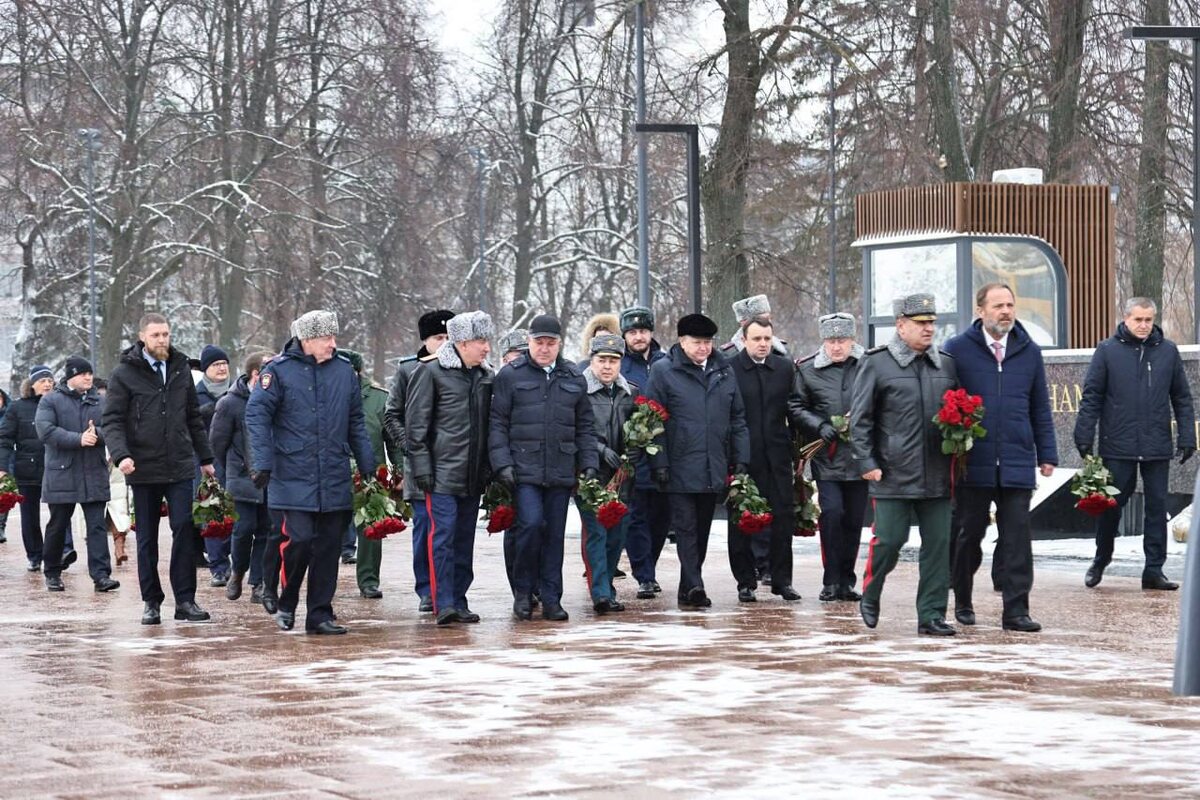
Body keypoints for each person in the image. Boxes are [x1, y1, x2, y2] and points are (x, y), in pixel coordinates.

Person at [245, 310, 376, 634]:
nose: (334, 343)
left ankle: (319, 614)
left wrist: (367, 463)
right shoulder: (277, 371)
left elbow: (355, 421)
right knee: (299, 540)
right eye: (326, 337)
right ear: (306, 340)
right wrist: (262, 462)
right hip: (291, 473)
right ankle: (286, 601)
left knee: (329, 547)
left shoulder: (345, 372)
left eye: (334, 336)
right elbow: (256, 416)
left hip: (332, 472)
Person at [942, 284, 1056, 632]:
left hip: (1017, 459)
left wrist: (1047, 453)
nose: (1006, 311)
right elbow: (946, 402)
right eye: (998, 305)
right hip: (972, 461)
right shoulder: (957, 350)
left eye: (1010, 305)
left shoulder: (1029, 351)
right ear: (981, 310)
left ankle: (1016, 611)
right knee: (967, 535)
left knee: (1017, 539)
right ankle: (962, 597)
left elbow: (1040, 407)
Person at [849, 293, 960, 636]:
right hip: (892, 472)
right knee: (890, 540)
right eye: (920, 323)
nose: (928, 329)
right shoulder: (877, 363)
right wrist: (867, 461)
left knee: (939, 546)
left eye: (931, 322)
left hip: (938, 473)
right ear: (900, 325)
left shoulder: (946, 364)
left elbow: (958, 412)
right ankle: (871, 591)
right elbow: (860, 419)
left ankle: (931, 615)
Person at [1074, 297, 1196, 590]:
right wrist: (1083, 434)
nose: (1143, 326)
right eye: (1138, 320)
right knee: (1110, 506)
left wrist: (1187, 436)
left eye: (1148, 320)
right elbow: (1092, 396)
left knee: (1156, 509)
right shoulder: (1107, 351)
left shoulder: (1167, 351)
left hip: (1156, 445)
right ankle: (1101, 559)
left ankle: (1154, 570)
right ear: (1126, 318)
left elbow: (1181, 396)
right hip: (1118, 444)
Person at [104, 313, 216, 625]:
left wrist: (205, 459)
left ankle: (185, 600)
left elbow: (193, 415)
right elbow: (112, 419)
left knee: (183, 531)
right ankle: (151, 601)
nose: (162, 340)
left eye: (165, 334)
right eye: (155, 335)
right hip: (142, 465)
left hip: (180, 463)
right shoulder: (124, 373)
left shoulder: (180, 366)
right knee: (147, 537)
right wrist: (121, 454)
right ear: (143, 337)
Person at [490, 314, 598, 622]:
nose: (545, 349)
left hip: (561, 467)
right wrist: (502, 464)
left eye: (551, 343)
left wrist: (588, 462)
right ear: (529, 342)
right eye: (539, 342)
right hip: (523, 468)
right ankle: (523, 593)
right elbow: (497, 423)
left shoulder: (573, 377)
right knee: (530, 526)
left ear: (559, 344)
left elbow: (585, 426)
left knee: (554, 535)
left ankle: (552, 597)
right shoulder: (511, 375)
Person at [645, 313, 750, 608]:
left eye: (707, 342)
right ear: (682, 341)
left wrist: (741, 458)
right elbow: (651, 419)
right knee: (686, 527)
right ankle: (696, 586)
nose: (703, 348)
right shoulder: (664, 371)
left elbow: (737, 418)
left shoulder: (724, 370)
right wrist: (660, 463)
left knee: (702, 528)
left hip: (713, 462)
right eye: (697, 342)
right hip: (678, 463)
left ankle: (687, 585)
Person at [405, 311, 494, 625]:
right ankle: (442, 602)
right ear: (464, 342)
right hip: (439, 475)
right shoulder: (430, 372)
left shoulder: (486, 376)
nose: (487, 348)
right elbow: (415, 427)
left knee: (464, 539)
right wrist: (422, 469)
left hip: (472, 476)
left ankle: (459, 599)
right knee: (441, 537)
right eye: (482, 341)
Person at [793, 312, 869, 602]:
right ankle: (830, 580)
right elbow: (796, 405)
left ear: (852, 339)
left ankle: (847, 582)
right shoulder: (809, 369)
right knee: (833, 514)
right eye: (831, 341)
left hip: (861, 457)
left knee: (853, 519)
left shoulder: (867, 365)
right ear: (823, 341)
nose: (836, 347)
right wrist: (820, 425)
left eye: (842, 340)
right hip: (828, 456)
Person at [383, 308, 454, 612]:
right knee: (425, 528)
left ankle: (448, 588)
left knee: (449, 530)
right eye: (439, 337)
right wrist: (409, 446)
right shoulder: (408, 370)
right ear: (426, 341)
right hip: (420, 465)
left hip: (452, 464)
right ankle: (426, 588)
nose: (445, 342)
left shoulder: (461, 369)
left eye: (450, 337)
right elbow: (391, 414)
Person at [729, 316, 802, 602]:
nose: (762, 344)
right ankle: (745, 582)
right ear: (744, 340)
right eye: (757, 339)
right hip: (744, 457)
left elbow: (794, 410)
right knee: (742, 520)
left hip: (778, 455)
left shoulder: (784, 368)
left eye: (767, 339)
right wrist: (734, 457)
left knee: (783, 518)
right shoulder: (731, 369)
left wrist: (798, 453)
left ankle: (782, 580)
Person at [34, 357, 120, 593]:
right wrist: (78, 439)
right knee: (58, 525)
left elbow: (115, 427)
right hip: (62, 473)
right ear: (70, 376)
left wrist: (98, 434)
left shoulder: (100, 401)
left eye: (90, 373)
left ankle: (101, 575)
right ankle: (52, 571)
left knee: (96, 526)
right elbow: (46, 430)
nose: (88, 377)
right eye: (83, 373)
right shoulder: (51, 400)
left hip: (93, 472)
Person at [210, 352, 274, 603]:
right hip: (242, 477)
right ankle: (237, 570)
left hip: (271, 476)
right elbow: (217, 442)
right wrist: (231, 470)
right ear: (256, 375)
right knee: (243, 529)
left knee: (267, 531)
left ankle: (258, 583)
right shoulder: (230, 403)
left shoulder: (276, 399)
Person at [577, 333, 634, 613]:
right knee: (597, 532)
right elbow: (575, 428)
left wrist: (633, 448)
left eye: (613, 361)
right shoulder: (579, 390)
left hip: (620, 475)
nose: (608, 366)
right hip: (590, 472)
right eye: (602, 360)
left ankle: (607, 585)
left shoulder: (628, 392)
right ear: (592, 361)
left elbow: (635, 428)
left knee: (617, 534)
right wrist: (599, 450)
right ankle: (599, 591)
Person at [617, 305, 670, 599]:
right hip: (634, 450)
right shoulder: (620, 364)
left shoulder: (666, 362)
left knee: (662, 516)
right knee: (636, 514)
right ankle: (644, 574)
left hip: (664, 449)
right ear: (625, 335)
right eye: (633, 332)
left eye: (643, 331)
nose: (639, 337)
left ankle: (650, 564)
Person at [2, 367, 78, 572]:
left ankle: (64, 550)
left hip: (57, 468)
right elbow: (5, 439)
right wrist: (2, 467)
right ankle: (35, 555)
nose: (47, 384)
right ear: (32, 384)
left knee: (61, 511)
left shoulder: (60, 404)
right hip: (27, 469)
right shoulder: (17, 408)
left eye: (50, 380)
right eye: (43, 380)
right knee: (30, 516)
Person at [342, 349, 400, 600]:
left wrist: (400, 471)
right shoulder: (323, 396)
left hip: (369, 475)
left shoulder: (379, 400)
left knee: (370, 528)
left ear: (357, 371)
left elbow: (393, 440)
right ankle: (321, 582)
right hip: (331, 472)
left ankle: (368, 580)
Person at [194, 344, 234, 585]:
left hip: (236, 461)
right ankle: (218, 567)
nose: (221, 368)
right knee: (211, 515)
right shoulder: (194, 394)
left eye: (223, 364)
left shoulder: (237, 391)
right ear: (205, 369)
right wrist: (208, 410)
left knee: (238, 516)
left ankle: (232, 559)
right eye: (215, 365)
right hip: (206, 463)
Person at [722, 294, 788, 357]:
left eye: (769, 318)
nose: (768, 323)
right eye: (762, 320)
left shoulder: (783, 350)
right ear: (745, 324)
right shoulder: (728, 355)